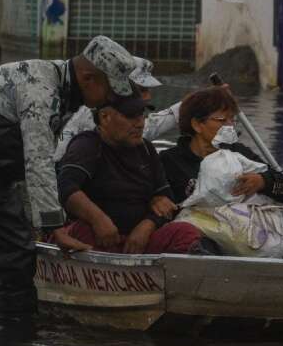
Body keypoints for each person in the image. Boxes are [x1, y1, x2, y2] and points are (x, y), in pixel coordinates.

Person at [0, 36, 138, 330]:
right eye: (110, 89)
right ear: (88, 78)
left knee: (18, 260)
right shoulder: (40, 89)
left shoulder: (68, 91)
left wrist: (33, 220)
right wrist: (54, 226)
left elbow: (29, 163)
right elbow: (38, 161)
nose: (112, 98)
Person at [159, 87, 283, 259]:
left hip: (244, 233)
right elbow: (161, 207)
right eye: (222, 120)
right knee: (201, 247)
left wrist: (262, 181)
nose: (229, 126)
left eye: (232, 120)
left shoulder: (238, 153)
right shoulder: (170, 161)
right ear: (197, 124)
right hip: (203, 233)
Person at [58, 95, 202, 254]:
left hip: (139, 242)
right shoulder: (87, 145)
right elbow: (66, 187)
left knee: (186, 232)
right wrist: (98, 219)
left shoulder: (146, 149)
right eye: (130, 116)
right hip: (99, 238)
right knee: (82, 231)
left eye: (141, 115)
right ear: (105, 117)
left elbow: (166, 200)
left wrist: (147, 225)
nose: (140, 123)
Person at [53, 57, 180, 161]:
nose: (148, 97)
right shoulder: (95, 111)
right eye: (142, 90)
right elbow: (143, 131)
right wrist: (181, 109)